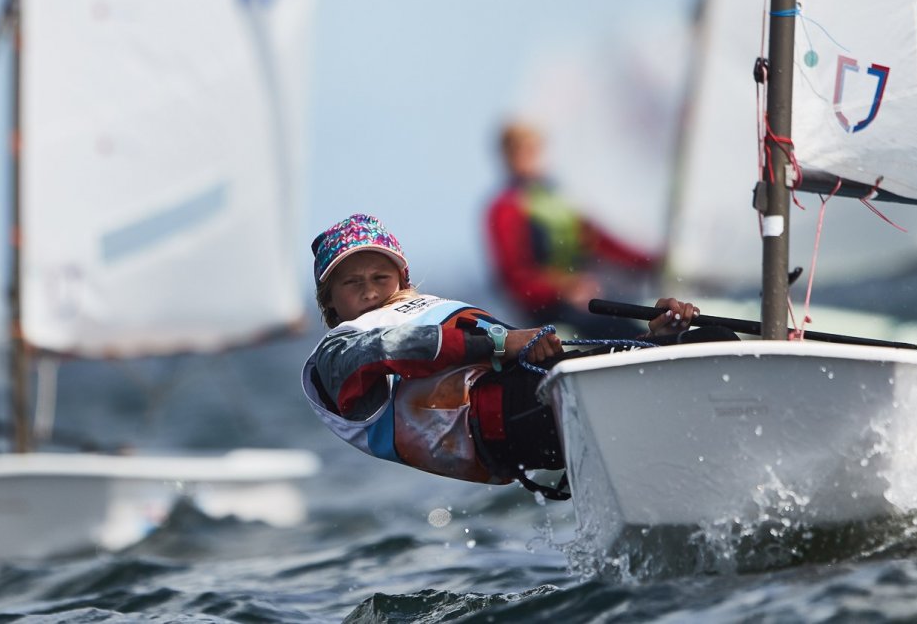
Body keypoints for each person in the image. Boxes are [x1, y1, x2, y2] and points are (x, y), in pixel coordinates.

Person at [301, 213, 726, 498]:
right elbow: (394, 350)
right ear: (330, 300)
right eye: (351, 283)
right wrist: (505, 343)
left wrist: (653, 339)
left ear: (401, 278)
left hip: (532, 393)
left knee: (711, 337)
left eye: (380, 276)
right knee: (604, 382)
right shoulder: (335, 355)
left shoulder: (420, 307)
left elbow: (512, 351)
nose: (370, 291)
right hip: (498, 429)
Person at [485, 120, 659, 337]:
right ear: (509, 157)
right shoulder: (505, 209)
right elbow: (514, 278)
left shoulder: (557, 202)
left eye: (535, 149)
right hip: (545, 310)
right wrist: (564, 289)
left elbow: (602, 242)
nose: (532, 157)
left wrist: (652, 262)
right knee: (617, 328)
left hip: (581, 300)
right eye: (523, 150)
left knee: (630, 313)